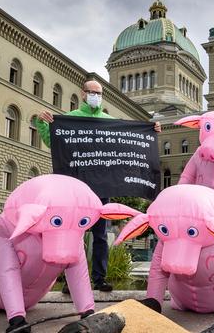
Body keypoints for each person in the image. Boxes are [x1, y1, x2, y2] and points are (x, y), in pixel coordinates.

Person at [37, 80, 161, 292]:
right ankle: (71, 281)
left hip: (102, 190)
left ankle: (99, 279)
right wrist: (42, 123)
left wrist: (151, 132)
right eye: (92, 92)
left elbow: (129, 142)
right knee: (74, 234)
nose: (96, 96)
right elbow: (52, 142)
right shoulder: (70, 120)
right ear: (83, 94)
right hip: (76, 191)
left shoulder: (109, 122)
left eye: (99, 93)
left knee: (100, 235)